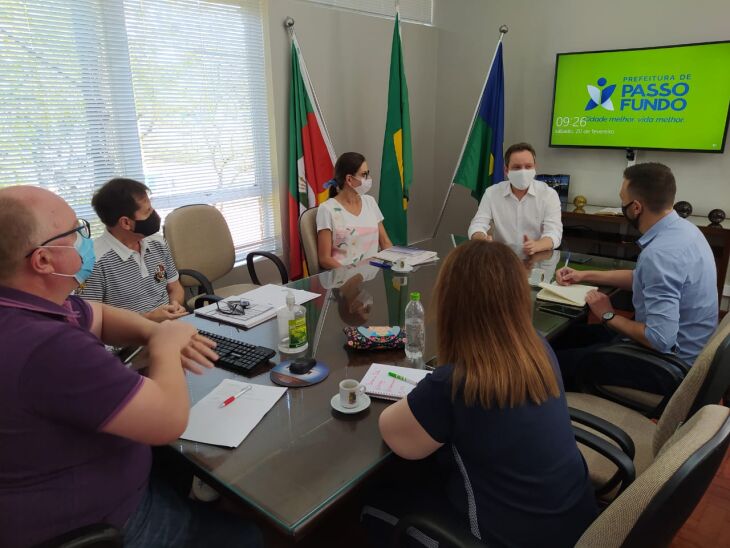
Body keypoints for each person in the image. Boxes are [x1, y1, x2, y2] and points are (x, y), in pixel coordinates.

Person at [0, 186, 262, 548]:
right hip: (104, 521)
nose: (83, 239)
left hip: (102, 478)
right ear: (43, 260)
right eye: (75, 232)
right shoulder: (47, 346)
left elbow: (99, 314)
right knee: (247, 537)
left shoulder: (33, 303)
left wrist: (154, 331)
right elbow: (168, 420)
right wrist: (166, 344)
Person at [364, 241, 597, 547]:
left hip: (506, 539)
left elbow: (395, 435)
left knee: (371, 506)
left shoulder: (457, 382)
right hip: (576, 525)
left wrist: (429, 391)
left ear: (451, 304)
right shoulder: (539, 347)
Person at [554, 162, 717, 391]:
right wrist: (584, 274)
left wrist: (608, 315)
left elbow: (659, 339)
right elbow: (643, 278)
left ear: (636, 207)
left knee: (548, 365)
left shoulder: (660, 254)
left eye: (623, 200)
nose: (622, 206)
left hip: (668, 365)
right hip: (682, 349)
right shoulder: (685, 231)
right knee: (566, 337)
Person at [79, 177, 187, 322]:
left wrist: (175, 305)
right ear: (126, 222)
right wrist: (148, 319)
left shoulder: (157, 242)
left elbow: (175, 288)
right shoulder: (94, 261)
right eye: (148, 211)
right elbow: (93, 321)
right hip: (130, 341)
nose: (154, 214)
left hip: (170, 327)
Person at [468, 142, 562, 256]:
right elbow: (478, 224)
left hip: (536, 259)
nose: (523, 172)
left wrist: (537, 245)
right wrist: (480, 238)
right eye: (517, 167)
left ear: (535, 168)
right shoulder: (492, 193)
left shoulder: (548, 195)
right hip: (501, 258)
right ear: (506, 170)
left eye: (528, 167)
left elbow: (554, 232)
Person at [317, 152, 393, 270]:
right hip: (343, 282)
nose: (368, 179)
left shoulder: (370, 202)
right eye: (364, 175)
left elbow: (385, 242)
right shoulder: (327, 210)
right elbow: (324, 259)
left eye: (368, 174)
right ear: (349, 179)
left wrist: (397, 263)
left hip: (372, 277)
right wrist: (350, 275)